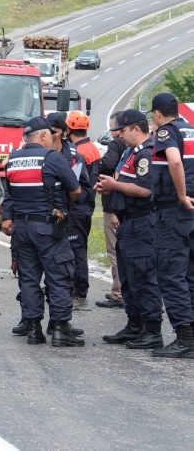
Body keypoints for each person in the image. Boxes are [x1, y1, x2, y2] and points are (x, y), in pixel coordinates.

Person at [2, 116, 83, 347]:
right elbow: (76, 190)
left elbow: (9, 194)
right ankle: (59, 329)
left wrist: (8, 218)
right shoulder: (52, 158)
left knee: (28, 279)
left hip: (22, 229)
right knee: (59, 277)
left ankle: (34, 329)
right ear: (45, 135)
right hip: (49, 228)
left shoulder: (13, 159)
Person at [96, 109, 163, 350]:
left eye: (123, 131)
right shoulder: (129, 152)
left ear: (136, 128)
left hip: (142, 222)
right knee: (128, 278)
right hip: (127, 221)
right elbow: (125, 183)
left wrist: (115, 185)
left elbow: (145, 190)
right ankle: (134, 325)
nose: (120, 136)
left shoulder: (146, 154)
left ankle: (152, 329)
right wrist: (112, 189)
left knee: (143, 276)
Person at [147, 92, 194, 358]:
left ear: (156, 114)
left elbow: (174, 160)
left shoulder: (167, 132)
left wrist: (180, 195)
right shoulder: (191, 130)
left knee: (172, 275)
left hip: (174, 213)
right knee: (190, 275)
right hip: (191, 214)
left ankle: (185, 338)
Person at [66, 110, 100, 309]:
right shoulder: (92, 148)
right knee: (79, 249)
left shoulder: (78, 152)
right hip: (86, 206)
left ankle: (78, 292)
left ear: (69, 129)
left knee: (76, 250)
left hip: (78, 207)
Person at [96, 113, 128, 308]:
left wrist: (100, 169)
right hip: (132, 206)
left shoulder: (116, 144)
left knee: (115, 249)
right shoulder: (140, 147)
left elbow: (107, 164)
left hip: (114, 204)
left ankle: (119, 292)